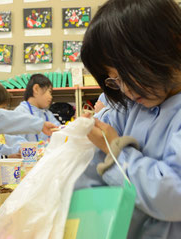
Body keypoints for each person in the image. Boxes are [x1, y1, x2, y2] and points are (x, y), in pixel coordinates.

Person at [76, 0, 181, 238]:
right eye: (114, 79)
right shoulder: (132, 107)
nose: (126, 90)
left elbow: (174, 196)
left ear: (174, 44)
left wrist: (116, 151)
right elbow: (90, 172)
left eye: (129, 71)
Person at [14, 73, 60, 142]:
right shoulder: (20, 112)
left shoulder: (47, 113)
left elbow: (59, 131)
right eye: (49, 92)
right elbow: (16, 142)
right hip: (28, 153)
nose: (51, 97)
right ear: (36, 89)